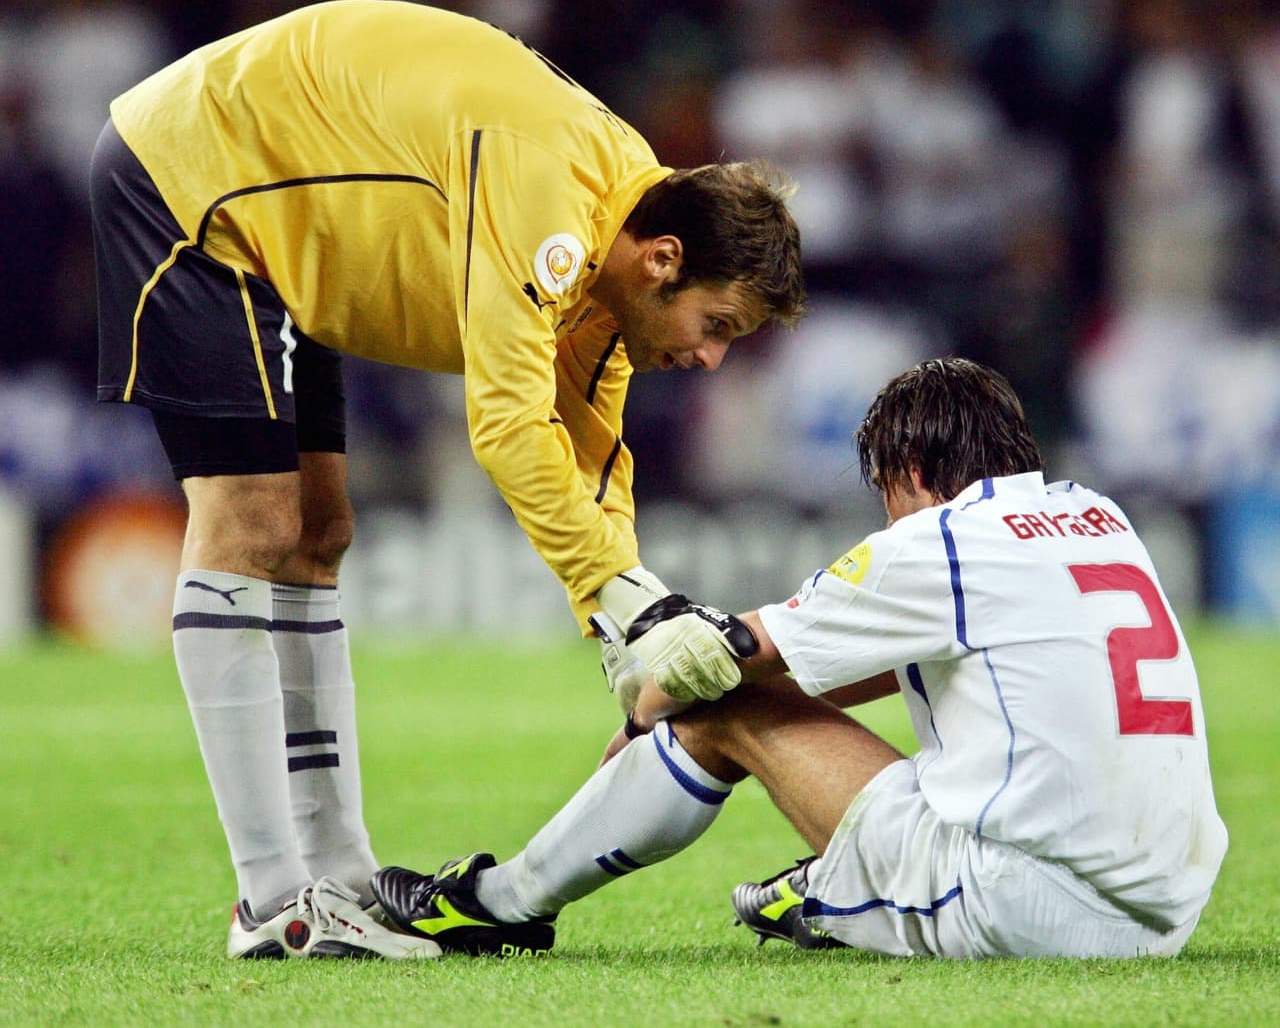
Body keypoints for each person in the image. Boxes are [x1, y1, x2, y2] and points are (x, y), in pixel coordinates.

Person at [90, 0, 805, 960]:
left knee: (318, 534)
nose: (711, 359)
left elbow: (586, 452)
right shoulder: (551, 198)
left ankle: (337, 875)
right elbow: (508, 424)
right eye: (716, 326)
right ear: (665, 261)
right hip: (194, 179)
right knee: (252, 520)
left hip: (284, 225)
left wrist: (623, 635)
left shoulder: (619, 231)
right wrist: (626, 603)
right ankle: (275, 906)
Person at [369, 358, 1228, 960]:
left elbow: (714, 657)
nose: (887, 515)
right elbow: (865, 664)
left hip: (1030, 906)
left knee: (720, 702)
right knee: (755, 698)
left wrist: (646, 714)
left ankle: (499, 904)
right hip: (1167, 912)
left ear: (914, 470)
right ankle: (838, 883)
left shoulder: (939, 539)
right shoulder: (1095, 515)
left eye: (885, 491)